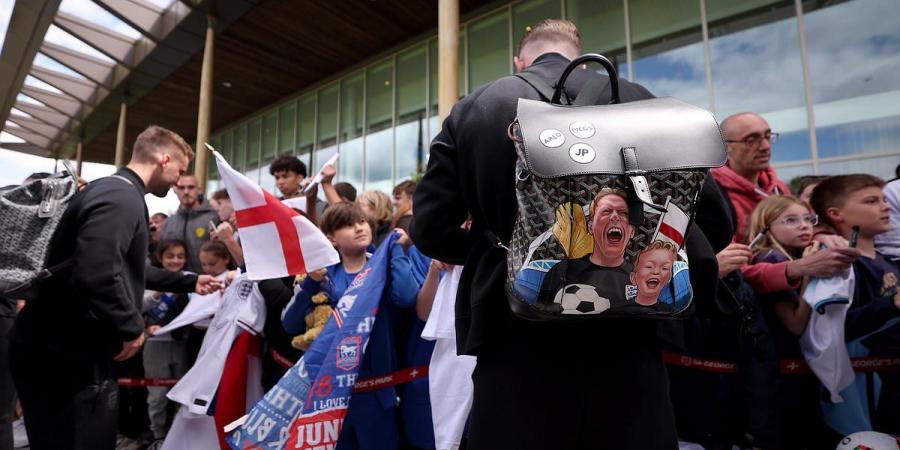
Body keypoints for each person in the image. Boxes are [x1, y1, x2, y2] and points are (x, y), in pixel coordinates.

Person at [411, 19, 700, 449]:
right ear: (578, 51)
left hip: (514, 332)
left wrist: (501, 247)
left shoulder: (479, 106)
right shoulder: (642, 102)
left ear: (520, 60)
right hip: (628, 331)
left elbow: (431, 229)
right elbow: (711, 218)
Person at [9, 125, 219, 450]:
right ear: (164, 160)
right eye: (180, 169)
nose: (179, 180)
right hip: (68, 356)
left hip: (58, 347)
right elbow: (97, 270)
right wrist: (131, 326)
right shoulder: (122, 197)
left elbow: (124, 267)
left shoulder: (113, 191)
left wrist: (190, 280)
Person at [282, 203, 419, 449]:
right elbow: (289, 323)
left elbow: (408, 297)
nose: (358, 228)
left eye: (362, 222)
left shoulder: (383, 265)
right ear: (331, 239)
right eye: (347, 225)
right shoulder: (321, 274)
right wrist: (311, 285)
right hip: (329, 394)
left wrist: (397, 252)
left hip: (378, 392)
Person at [810, 174, 900, 436]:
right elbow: (830, 331)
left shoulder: (887, 260)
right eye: (871, 201)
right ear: (836, 214)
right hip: (863, 396)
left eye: (884, 199)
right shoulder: (834, 263)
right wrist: (891, 305)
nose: (885, 206)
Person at [746, 195, 830, 448]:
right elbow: (795, 323)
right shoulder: (772, 258)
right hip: (784, 370)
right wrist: (809, 272)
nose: (804, 226)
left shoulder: (789, 255)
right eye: (791, 220)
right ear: (765, 227)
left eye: (808, 219)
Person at [537, 188, 636, 309]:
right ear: (590, 227)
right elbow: (540, 311)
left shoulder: (641, 277)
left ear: (632, 231)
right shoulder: (561, 271)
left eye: (623, 213)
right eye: (606, 211)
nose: (615, 217)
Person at [142, 240, 192, 447]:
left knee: (182, 391)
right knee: (157, 396)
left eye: (180, 256)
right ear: (160, 258)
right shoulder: (150, 279)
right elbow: (139, 305)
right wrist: (158, 291)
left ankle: (180, 434)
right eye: (170, 256)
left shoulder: (191, 280)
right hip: (155, 346)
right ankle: (158, 436)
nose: (175, 260)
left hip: (182, 344)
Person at [161, 173, 218, 273]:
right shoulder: (169, 223)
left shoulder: (214, 218)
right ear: (175, 190)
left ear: (199, 189)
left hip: (208, 282)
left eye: (191, 187)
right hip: (175, 283)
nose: (186, 192)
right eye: (181, 188)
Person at [628, 241, 677, 309]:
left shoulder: (672, 314)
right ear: (633, 277)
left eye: (664, 268)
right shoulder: (616, 313)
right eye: (649, 266)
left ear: (668, 279)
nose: (656, 272)